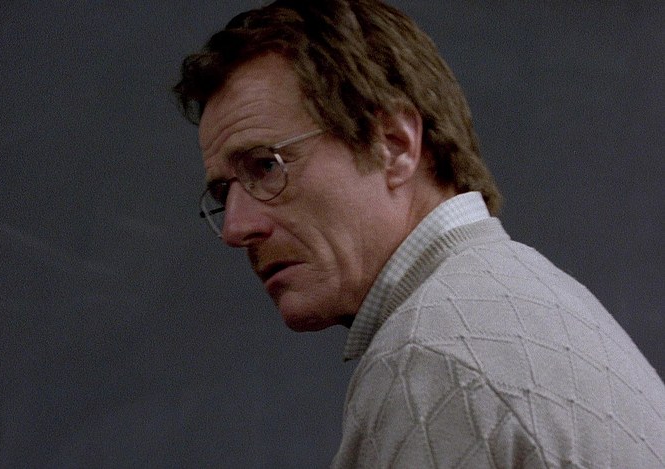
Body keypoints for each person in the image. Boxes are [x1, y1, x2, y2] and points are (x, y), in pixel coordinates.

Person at [174, 0, 665, 467]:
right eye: (222, 193)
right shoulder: (537, 301)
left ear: (394, 145)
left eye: (266, 166)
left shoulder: (430, 359)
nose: (236, 228)